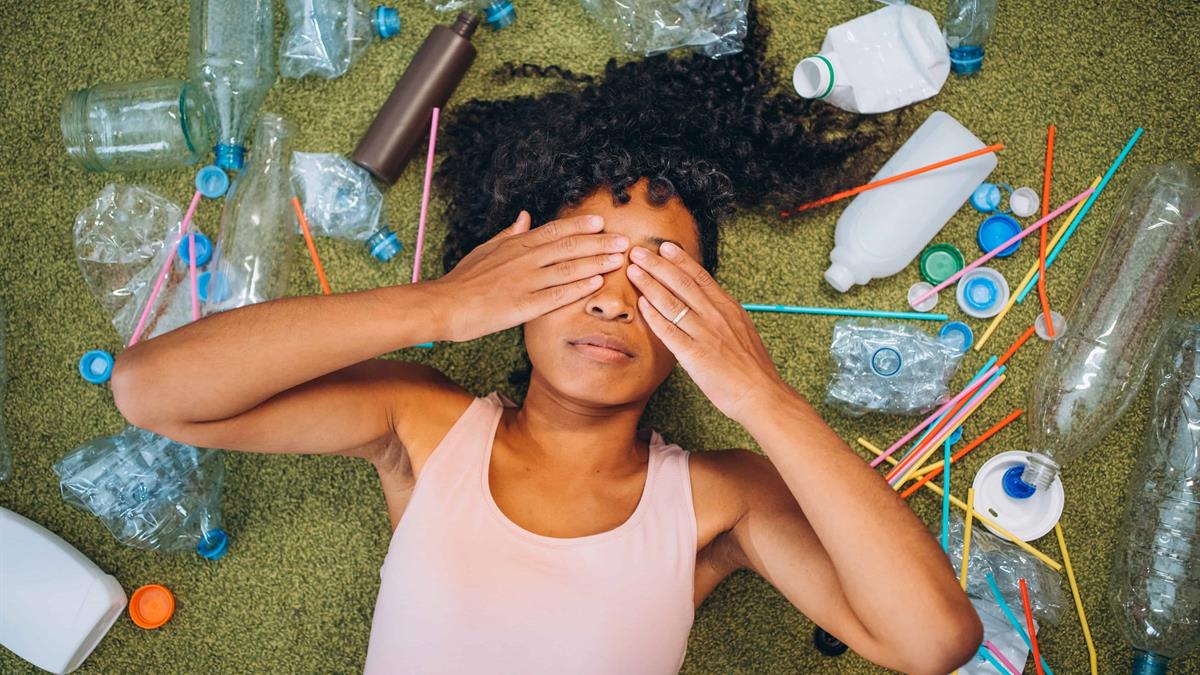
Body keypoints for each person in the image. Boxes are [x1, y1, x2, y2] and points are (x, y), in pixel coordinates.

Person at [112, 5, 982, 673]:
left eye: (657, 276)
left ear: (702, 322)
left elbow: (932, 639)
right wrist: (440, 308)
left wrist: (762, 393)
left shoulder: (723, 499)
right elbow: (152, 390)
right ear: (516, 283)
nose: (612, 301)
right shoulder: (423, 424)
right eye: (580, 264)